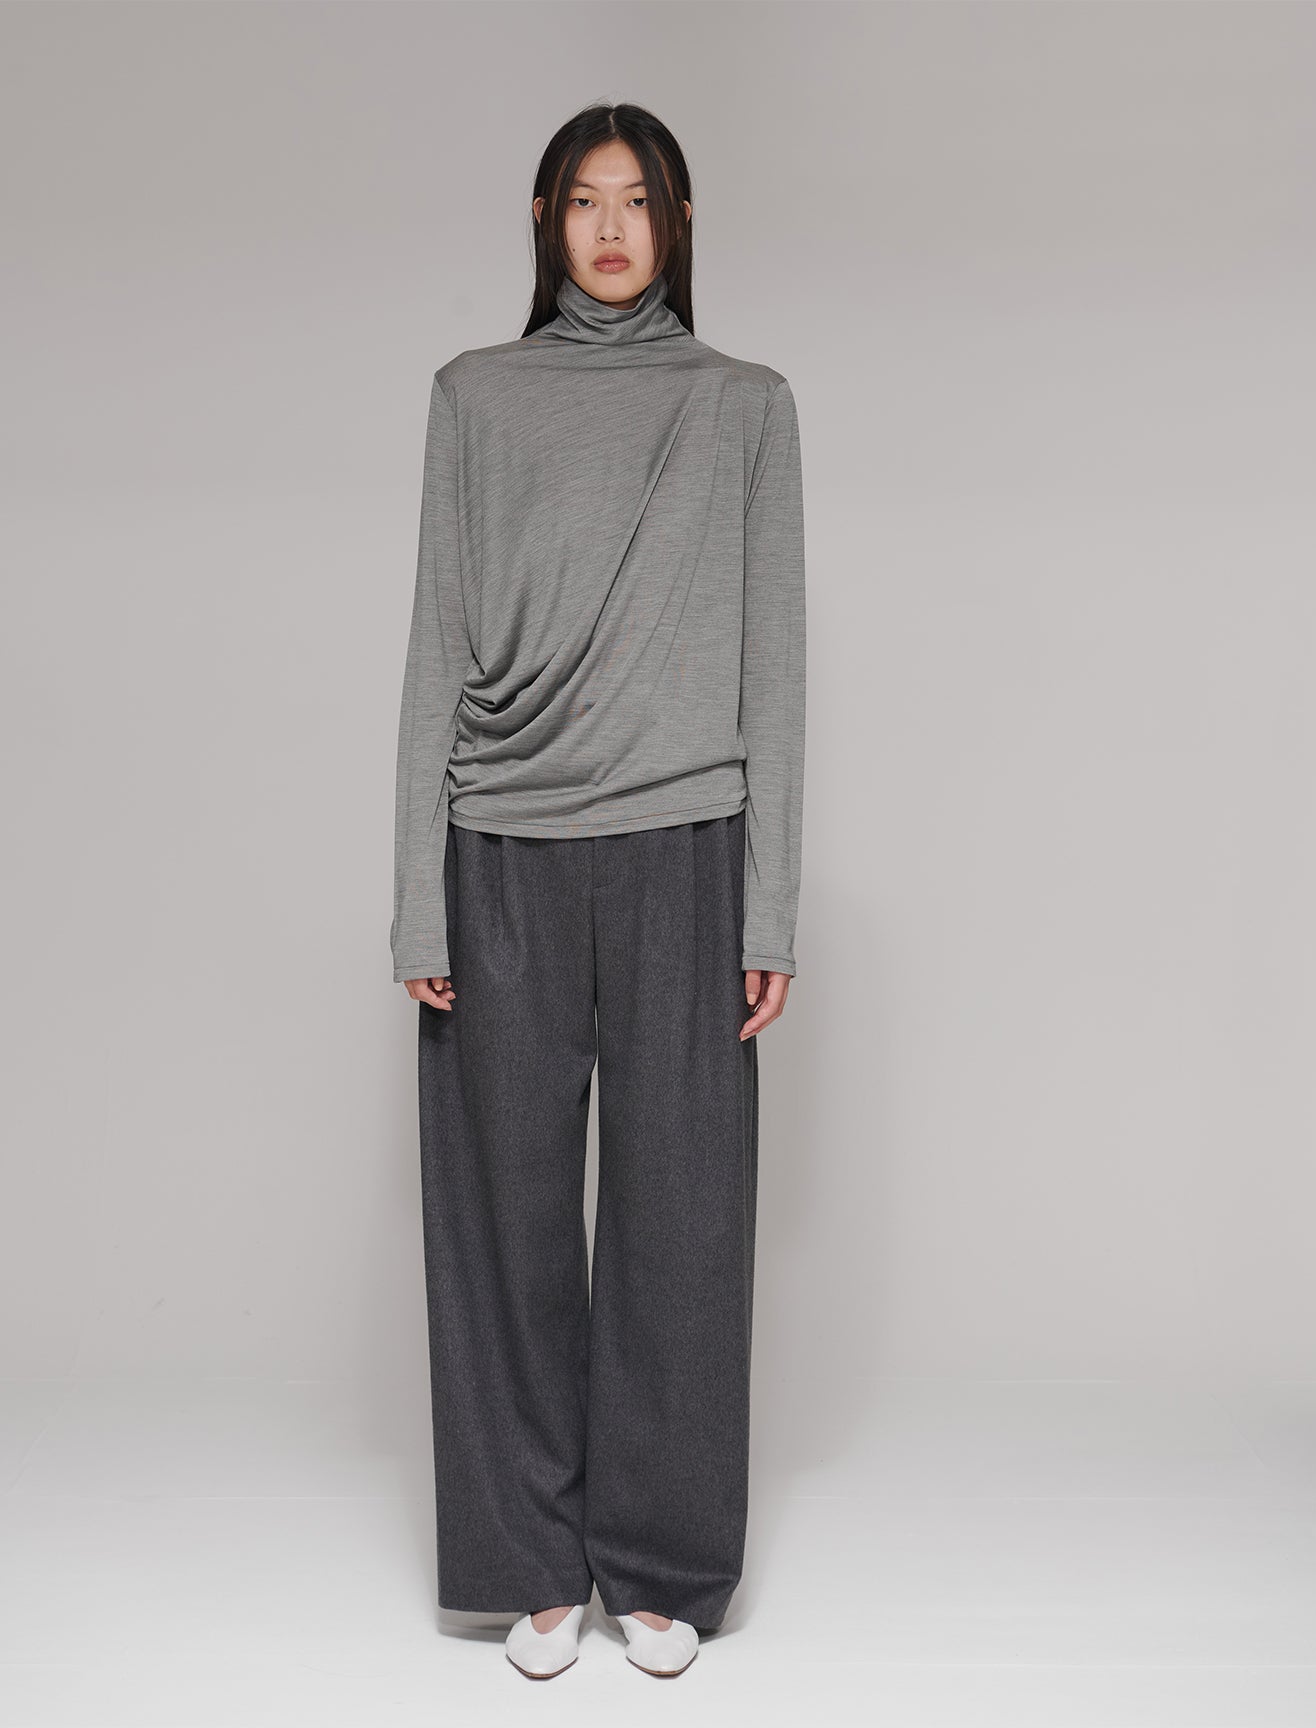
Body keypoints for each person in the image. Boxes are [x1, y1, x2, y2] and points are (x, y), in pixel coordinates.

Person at [388, 101, 806, 1681]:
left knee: (681, 1221)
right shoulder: (474, 396)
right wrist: (415, 896)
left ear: (679, 224)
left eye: (638, 202)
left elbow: (776, 667)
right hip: (499, 844)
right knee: (501, 1218)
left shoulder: (745, 405)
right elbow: (434, 643)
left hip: (686, 846)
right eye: (583, 200)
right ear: (546, 222)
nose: (612, 228)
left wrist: (769, 906)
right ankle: (528, 1560)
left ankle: (662, 1561)